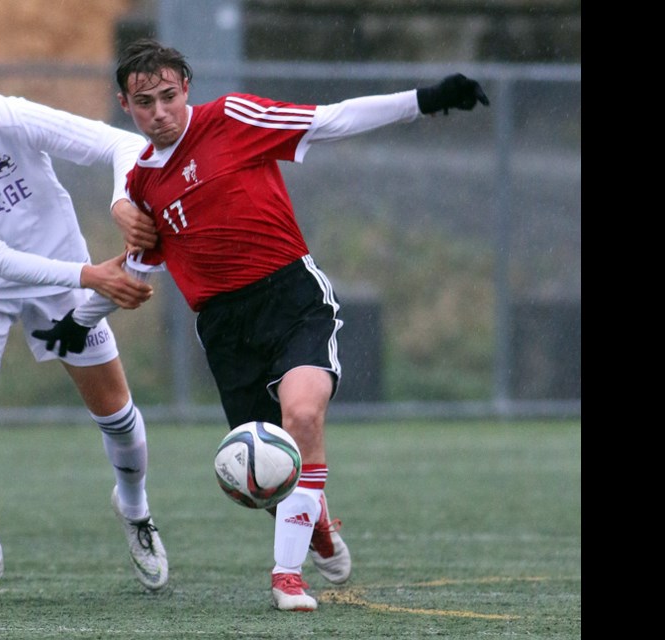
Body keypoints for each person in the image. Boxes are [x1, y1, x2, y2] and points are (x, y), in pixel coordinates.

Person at [31, 38, 489, 611]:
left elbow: (330, 121)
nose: (160, 112)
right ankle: (314, 523)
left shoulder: (231, 118)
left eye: (169, 96)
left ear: (186, 91)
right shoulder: (142, 185)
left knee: (301, 415)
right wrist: (80, 319)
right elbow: (144, 266)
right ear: (126, 105)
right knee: (266, 473)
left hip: (292, 298)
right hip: (224, 329)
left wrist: (423, 99)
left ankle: (286, 577)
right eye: (144, 102)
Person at [0, 35, 170, 600]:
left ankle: (135, 510)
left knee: (116, 415)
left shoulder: (11, 117)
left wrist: (120, 203)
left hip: (60, 274)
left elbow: (123, 147)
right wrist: (90, 276)